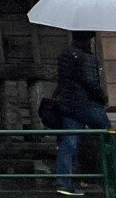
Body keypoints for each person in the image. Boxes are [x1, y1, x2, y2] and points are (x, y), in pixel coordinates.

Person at [54, 31, 109, 196]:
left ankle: (63, 183)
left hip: (68, 106)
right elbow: (90, 83)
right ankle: (109, 176)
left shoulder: (65, 56)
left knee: (69, 143)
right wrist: (103, 97)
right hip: (86, 105)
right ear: (88, 40)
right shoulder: (87, 58)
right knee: (108, 134)